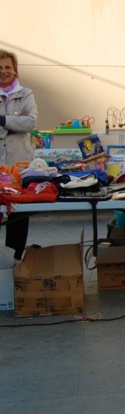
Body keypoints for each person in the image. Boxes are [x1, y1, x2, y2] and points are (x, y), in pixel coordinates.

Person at [0, 49, 38, 259]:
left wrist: (3, 120)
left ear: (15, 71)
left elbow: (31, 123)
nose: (4, 71)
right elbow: (23, 123)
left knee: (19, 215)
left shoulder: (26, 94)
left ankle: (15, 263)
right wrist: (16, 124)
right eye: (0, 68)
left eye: (8, 67)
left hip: (19, 164)